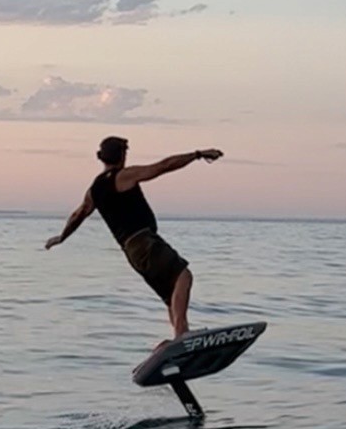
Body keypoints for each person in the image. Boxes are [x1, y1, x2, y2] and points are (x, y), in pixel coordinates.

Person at [44, 136, 223, 339]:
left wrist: (62, 237)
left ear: (101, 157)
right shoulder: (123, 176)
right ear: (122, 156)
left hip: (132, 253)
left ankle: (179, 339)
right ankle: (182, 333)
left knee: (171, 294)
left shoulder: (94, 189)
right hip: (144, 242)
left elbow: (79, 214)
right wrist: (198, 154)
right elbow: (163, 166)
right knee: (184, 276)